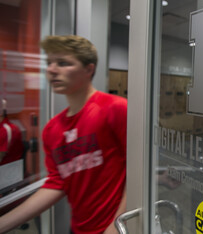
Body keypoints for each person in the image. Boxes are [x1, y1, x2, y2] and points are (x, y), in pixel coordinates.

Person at [0, 35, 127, 234]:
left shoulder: (114, 109)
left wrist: (116, 228)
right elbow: (57, 182)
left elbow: (136, 172)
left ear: (88, 69)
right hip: (78, 229)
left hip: (115, 228)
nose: (51, 69)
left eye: (63, 63)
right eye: (49, 63)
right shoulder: (52, 130)